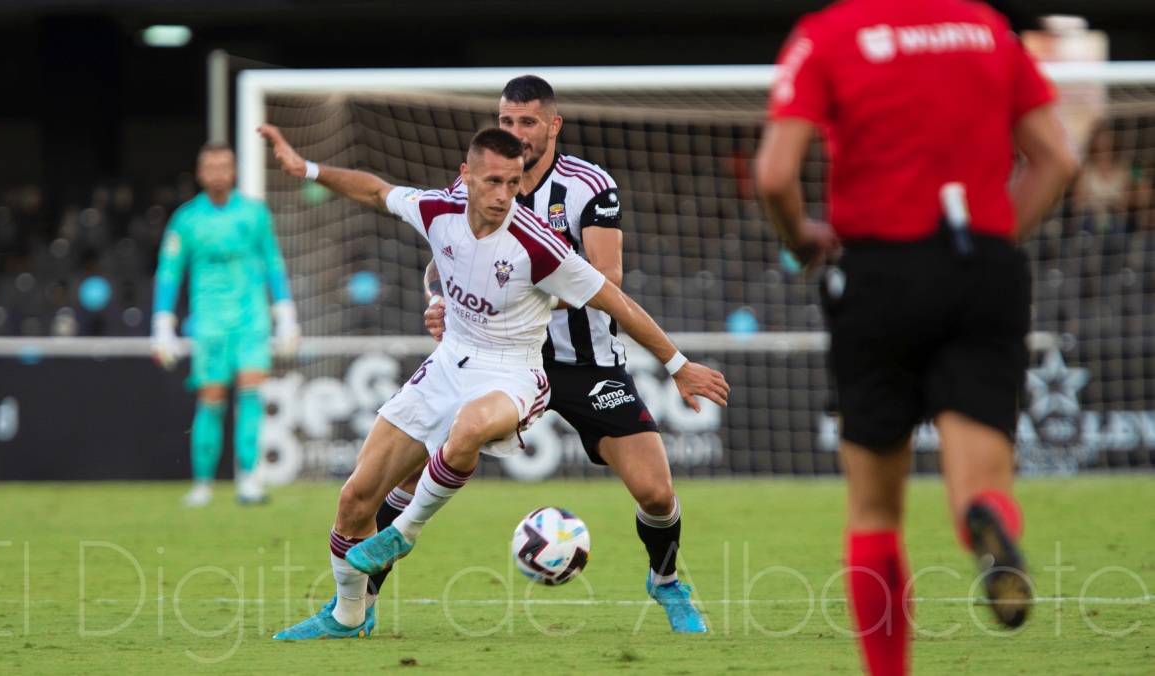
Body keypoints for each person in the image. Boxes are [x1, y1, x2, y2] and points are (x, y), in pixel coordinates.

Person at [256, 123, 729, 640]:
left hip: (517, 370)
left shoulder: (538, 244)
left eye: (512, 182)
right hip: (449, 363)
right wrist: (308, 169)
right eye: (492, 182)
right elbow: (374, 190)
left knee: (477, 427)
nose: (503, 194)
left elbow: (616, 301)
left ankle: (405, 532)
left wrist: (678, 364)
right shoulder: (438, 210)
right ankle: (348, 616)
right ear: (466, 176)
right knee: (353, 501)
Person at [756, 3, 1078, 675]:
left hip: (878, 272)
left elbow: (774, 175)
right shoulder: (985, 28)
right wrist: (991, 240)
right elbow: (1055, 158)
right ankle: (986, 518)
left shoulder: (827, 35)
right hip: (983, 270)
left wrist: (800, 239)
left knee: (874, 506)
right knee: (980, 480)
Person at [368, 74, 709, 633]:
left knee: (656, 490)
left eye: (527, 122)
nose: (516, 132)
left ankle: (666, 580)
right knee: (407, 478)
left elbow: (608, 278)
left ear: (553, 126)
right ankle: (360, 601)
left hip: (585, 362)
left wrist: (508, 304)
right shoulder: (479, 183)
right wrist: (438, 298)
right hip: (491, 362)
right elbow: (445, 260)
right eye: (506, 121)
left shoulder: (588, 185)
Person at [151, 141, 301, 508]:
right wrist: (162, 324)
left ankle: (248, 480)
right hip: (209, 324)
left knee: (251, 394)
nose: (217, 173)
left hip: (251, 320)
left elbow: (272, 263)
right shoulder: (186, 219)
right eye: (210, 167)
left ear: (233, 171)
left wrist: (285, 314)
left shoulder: (254, 214)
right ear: (201, 173)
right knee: (212, 399)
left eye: (224, 166)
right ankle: (202, 483)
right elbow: (169, 273)